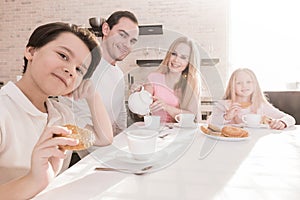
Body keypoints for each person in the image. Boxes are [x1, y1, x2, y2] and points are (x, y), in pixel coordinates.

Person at [0, 22, 113, 198]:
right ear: (31, 52)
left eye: (79, 70)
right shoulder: (3, 111)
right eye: (63, 55)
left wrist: (93, 96)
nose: (71, 71)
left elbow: (103, 138)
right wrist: (34, 180)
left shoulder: (61, 114)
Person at [69, 10, 139, 135]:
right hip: (89, 148)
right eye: (122, 35)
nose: (127, 45)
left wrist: (119, 141)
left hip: (109, 147)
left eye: (132, 41)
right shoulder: (84, 64)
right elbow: (71, 112)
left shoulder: (118, 73)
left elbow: (120, 113)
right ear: (106, 29)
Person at [208, 68, 296, 129]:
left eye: (249, 82)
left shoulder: (260, 106)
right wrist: (226, 117)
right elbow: (209, 123)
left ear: (255, 85)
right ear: (232, 86)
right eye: (239, 83)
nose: (244, 86)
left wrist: (282, 122)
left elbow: (290, 118)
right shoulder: (222, 105)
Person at [141, 36, 202, 123]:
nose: (176, 60)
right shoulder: (153, 78)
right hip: (154, 132)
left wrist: (166, 107)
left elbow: (192, 117)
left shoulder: (192, 84)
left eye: (183, 57)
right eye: (174, 54)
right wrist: (138, 96)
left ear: (189, 63)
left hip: (179, 133)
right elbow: (140, 113)